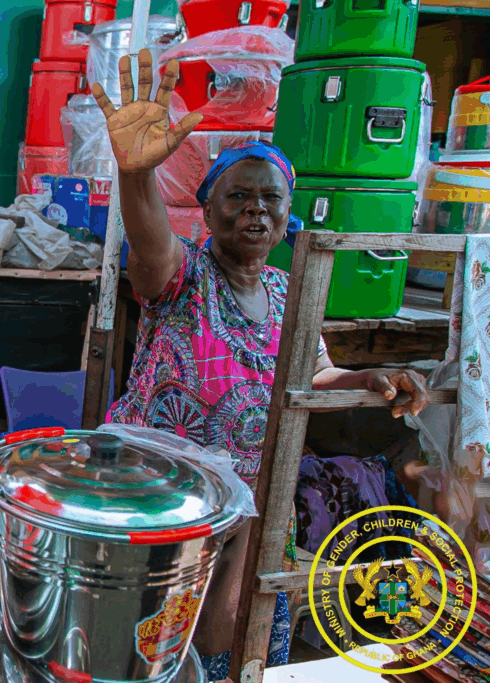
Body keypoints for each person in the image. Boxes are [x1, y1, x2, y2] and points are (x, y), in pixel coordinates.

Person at [90, 52, 430, 678]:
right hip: (155, 497)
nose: (254, 208)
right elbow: (149, 245)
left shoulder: (285, 292)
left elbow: (314, 375)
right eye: (237, 195)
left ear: (286, 215)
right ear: (208, 207)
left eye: (268, 198)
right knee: (147, 651)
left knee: (237, 642)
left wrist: (369, 378)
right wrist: (136, 177)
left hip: (245, 503)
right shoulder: (182, 274)